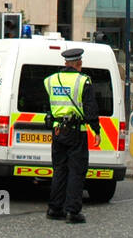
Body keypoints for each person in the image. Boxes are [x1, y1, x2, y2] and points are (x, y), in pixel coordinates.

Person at [43, 48, 100, 224]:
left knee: (59, 169)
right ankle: (73, 212)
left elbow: (47, 104)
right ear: (79, 63)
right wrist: (95, 130)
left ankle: (54, 208)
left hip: (57, 130)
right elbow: (91, 108)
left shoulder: (50, 80)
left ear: (65, 63)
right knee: (76, 171)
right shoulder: (83, 81)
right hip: (76, 131)